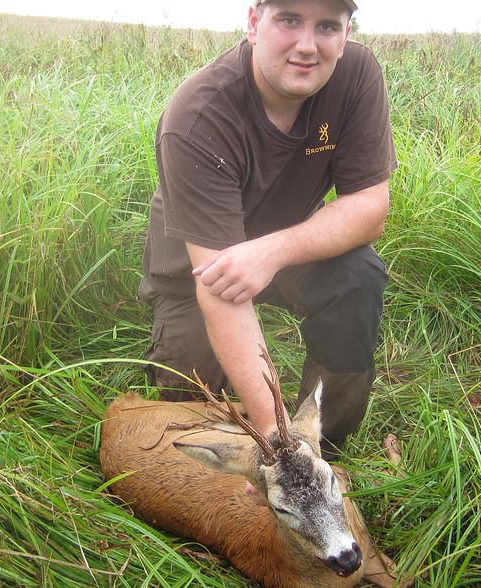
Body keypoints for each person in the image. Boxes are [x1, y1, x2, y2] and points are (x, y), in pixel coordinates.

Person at [140, 0, 395, 460]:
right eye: (290, 20)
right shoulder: (198, 117)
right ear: (255, 22)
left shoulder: (356, 74)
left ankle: (322, 448)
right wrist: (273, 436)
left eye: (326, 27)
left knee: (358, 275)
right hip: (196, 273)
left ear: (346, 33)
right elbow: (220, 289)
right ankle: (285, 446)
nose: (306, 46)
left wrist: (272, 252)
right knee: (192, 417)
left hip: (285, 250)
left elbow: (370, 207)